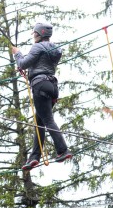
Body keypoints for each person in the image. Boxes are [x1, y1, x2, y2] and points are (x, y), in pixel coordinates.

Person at [12, 22, 72, 171]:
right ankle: (34, 157)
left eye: (34, 34)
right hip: (52, 86)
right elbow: (41, 63)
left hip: (40, 85)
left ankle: (63, 150)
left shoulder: (37, 47)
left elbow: (23, 63)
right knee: (40, 122)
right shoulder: (56, 49)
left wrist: (17, 53)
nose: (33, 36)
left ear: (38, 34)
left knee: (47, 120)